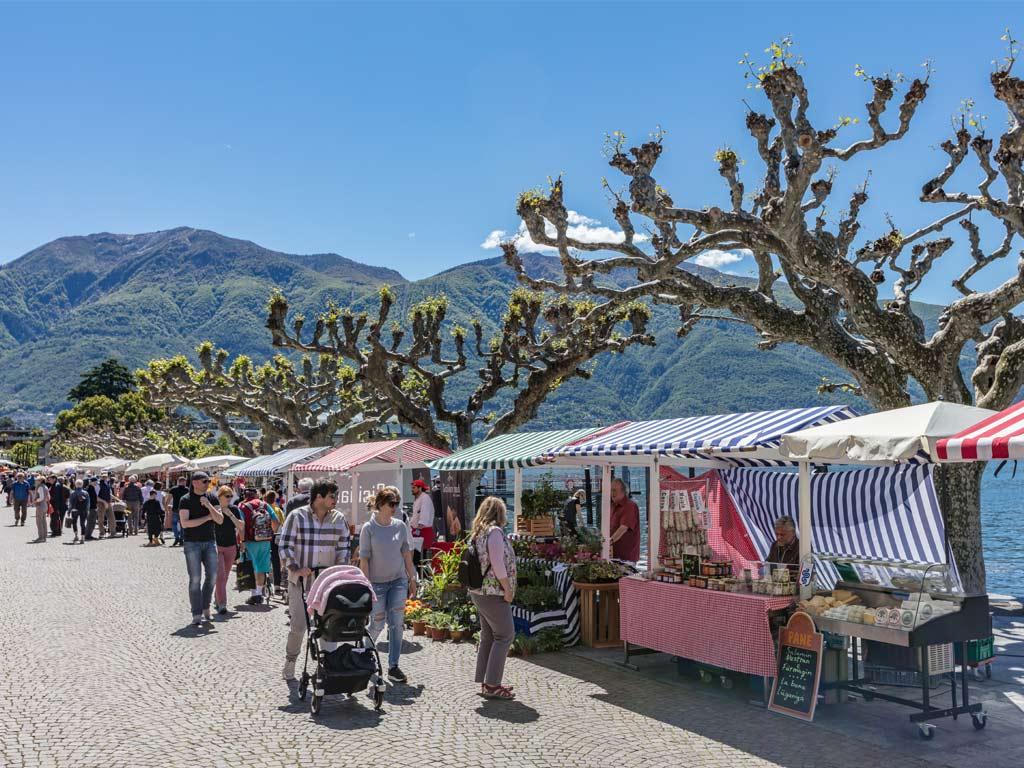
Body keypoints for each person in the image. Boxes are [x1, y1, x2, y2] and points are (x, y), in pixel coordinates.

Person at [278, 479, 351, 681]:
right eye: (331, 496)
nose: (335, 500)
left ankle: (329, 664)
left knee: (330, 625)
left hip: (327, 585)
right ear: (319, 496)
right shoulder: (297, 516)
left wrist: (340, 572)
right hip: (301, 582)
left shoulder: (339, 519)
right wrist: (296, 568)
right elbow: (284, 546)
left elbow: (344, 549)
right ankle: (291, 661)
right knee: (299, 626)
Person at [359, 486, 417, 684]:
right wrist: (366, 585)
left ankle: (394, 666)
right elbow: (364, 560)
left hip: (398, 581)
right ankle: (366, 651)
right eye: (391, 504)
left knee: (397, 624)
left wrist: (412, 578)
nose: (395, 507)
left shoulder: (400, 526)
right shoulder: (369, 528)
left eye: (397, 504)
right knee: (378, 622)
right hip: (377, 583)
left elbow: (407, 554)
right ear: (381, 505)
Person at [467, 496, 517, 699]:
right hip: (493, 591)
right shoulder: (494, 532)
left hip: (479, 591)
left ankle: (486, 681)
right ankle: (493, 684)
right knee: (505, 635)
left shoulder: (478, 532)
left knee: (488, 636)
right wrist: (508, 589)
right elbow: (497, 564)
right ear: (500, 513)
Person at [178, 471, 224, 626]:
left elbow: (219, 520)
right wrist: (206, 518)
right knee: (195, 579)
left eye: (208, 481)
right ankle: (196, 613)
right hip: (192, 543)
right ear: (195, 483)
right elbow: (185, 523)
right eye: (205, 481)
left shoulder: (212, 497)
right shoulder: (185, 500)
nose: (208, 484)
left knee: (212, 576)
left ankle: (206, 607)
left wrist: (209, 506)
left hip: (210, 542)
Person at [238, 487, 275, 605]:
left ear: (245, 496)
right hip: (265, 540)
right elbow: (277, 521)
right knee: (261, 567)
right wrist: (270, 533)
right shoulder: (265, 505)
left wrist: (242, 541)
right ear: (257, 495)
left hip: (250, 541)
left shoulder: (243, 507)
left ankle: (254, 594)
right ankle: (259, 593)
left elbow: (241, 526)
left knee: (251, 567)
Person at [213, 485, 245, 615]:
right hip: (216, 546)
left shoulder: (234, 509)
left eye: (231, 496)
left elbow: (241, 526)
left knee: (225, 576)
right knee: (220, 575)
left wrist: (230, 514)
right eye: (227, 496)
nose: (229, 498)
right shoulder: (214, 509)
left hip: (231, 546)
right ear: (220, 496)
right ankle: (222, 603)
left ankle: (217, 597)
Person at [609, 478, 640, 563]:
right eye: (611, 490)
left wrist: (609, 542)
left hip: (626, 558)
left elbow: (623, 528)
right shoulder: (612, 506)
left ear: (623, 491)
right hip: (613, 556)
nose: (612, 493)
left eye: (614, 490)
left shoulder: (630, 506)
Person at [264, 489, 285, 594]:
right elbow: (282, 523)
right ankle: (277, 584)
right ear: (275, 499)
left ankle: (263, 583)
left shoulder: (262, 508)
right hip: (275, 537)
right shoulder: (278, 510)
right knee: (276, 561)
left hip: (263, 537)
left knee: (264, 559)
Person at [409, 478, 436, 553]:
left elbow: (424, 517)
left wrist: (417, 531)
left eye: (414, 488)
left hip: (423, 532)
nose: (412, 489)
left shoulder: (425, 498)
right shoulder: (418, 499)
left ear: (420, 488)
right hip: (417, 532)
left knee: (422, 557)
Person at [168, 475, 190, 547]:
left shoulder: (173, 489)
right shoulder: (187, 490)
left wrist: (166, 507)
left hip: (175, 509)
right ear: (184, 482)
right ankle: (181, 539)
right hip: (184, 509)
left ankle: (176, 537)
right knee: (183, 524)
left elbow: (168, 499)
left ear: (178, 482)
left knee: (174, 524)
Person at [68, 479, 91, 544]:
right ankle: (82, 538)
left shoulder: (73, 493)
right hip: (83, 510)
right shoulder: (86, 493)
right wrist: (87, 510)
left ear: (75, 484)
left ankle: (76, 536)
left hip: (74, 510)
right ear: (82, 485)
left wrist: (69, 511)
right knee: (82, 524)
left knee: (74, 523)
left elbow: (70, 503)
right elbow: (88, 503)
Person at [31, 473, 50, 543]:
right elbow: (49, 497)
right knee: (43, 521)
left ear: (40, 481)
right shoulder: (45, 486)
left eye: (37, 480)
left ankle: (41, 537)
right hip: (45, 505)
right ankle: (44, 537)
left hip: (40, 505)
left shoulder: (40, 487)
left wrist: (35, 500)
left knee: (39, 522)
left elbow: (41, 497)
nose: (35, 481)